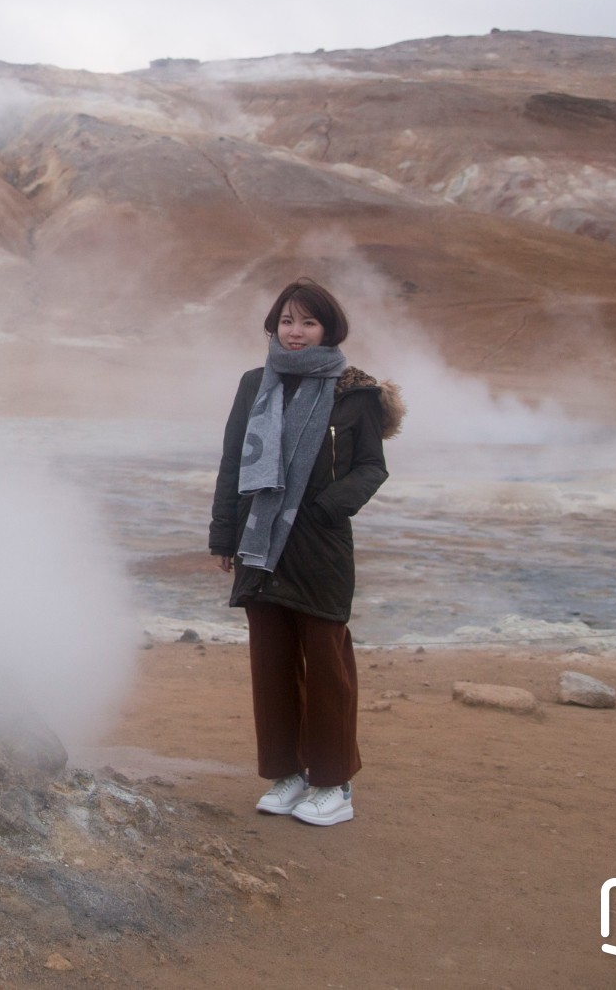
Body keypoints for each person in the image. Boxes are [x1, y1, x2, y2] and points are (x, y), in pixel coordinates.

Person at [208, 277, 402, 827]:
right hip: (259, 543)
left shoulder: (354, 392)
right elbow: (231, 464)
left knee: (326, 664)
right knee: (270, 663)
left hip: (318, 546)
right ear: (274, 325)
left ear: (328, 329)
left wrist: (325, 507)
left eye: (308, 322)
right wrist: (224, 536)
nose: (296, 333)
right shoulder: (253, 385)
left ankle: (334, 783)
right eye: (287, 321)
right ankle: (288, 774)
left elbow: (371, 466)